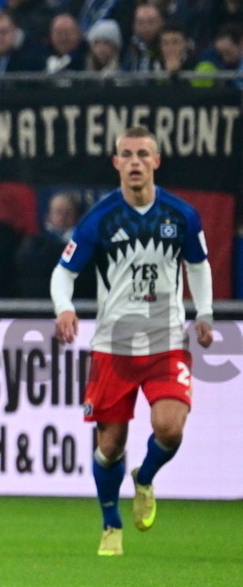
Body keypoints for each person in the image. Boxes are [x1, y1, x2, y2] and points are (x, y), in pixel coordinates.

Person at [51, 126, 214, 556]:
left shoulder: (181, 215)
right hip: (113, 346)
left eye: (144, 153)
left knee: (170, 429)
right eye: (127, 154)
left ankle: (144, 477)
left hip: (166, 340)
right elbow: (62, 273)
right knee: (110, 446)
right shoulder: (99, 220)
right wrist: (64, 308)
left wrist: (205, 313)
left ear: (156, 161)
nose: (136, 161)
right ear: (117, 163)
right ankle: (110, 523)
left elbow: (198, 265)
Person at [16, 191, 96, 299]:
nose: (63, 217)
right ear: (49, 215)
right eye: (58, 212)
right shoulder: (34, 244)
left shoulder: (87, 244)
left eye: (68, 212)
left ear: (77, 216)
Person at [122, 3, 165, 70]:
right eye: (141, 23)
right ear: (134, 25)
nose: (146, 27)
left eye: (151, 22)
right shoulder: (131, 48)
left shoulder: (167, 46)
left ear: (161, 23)